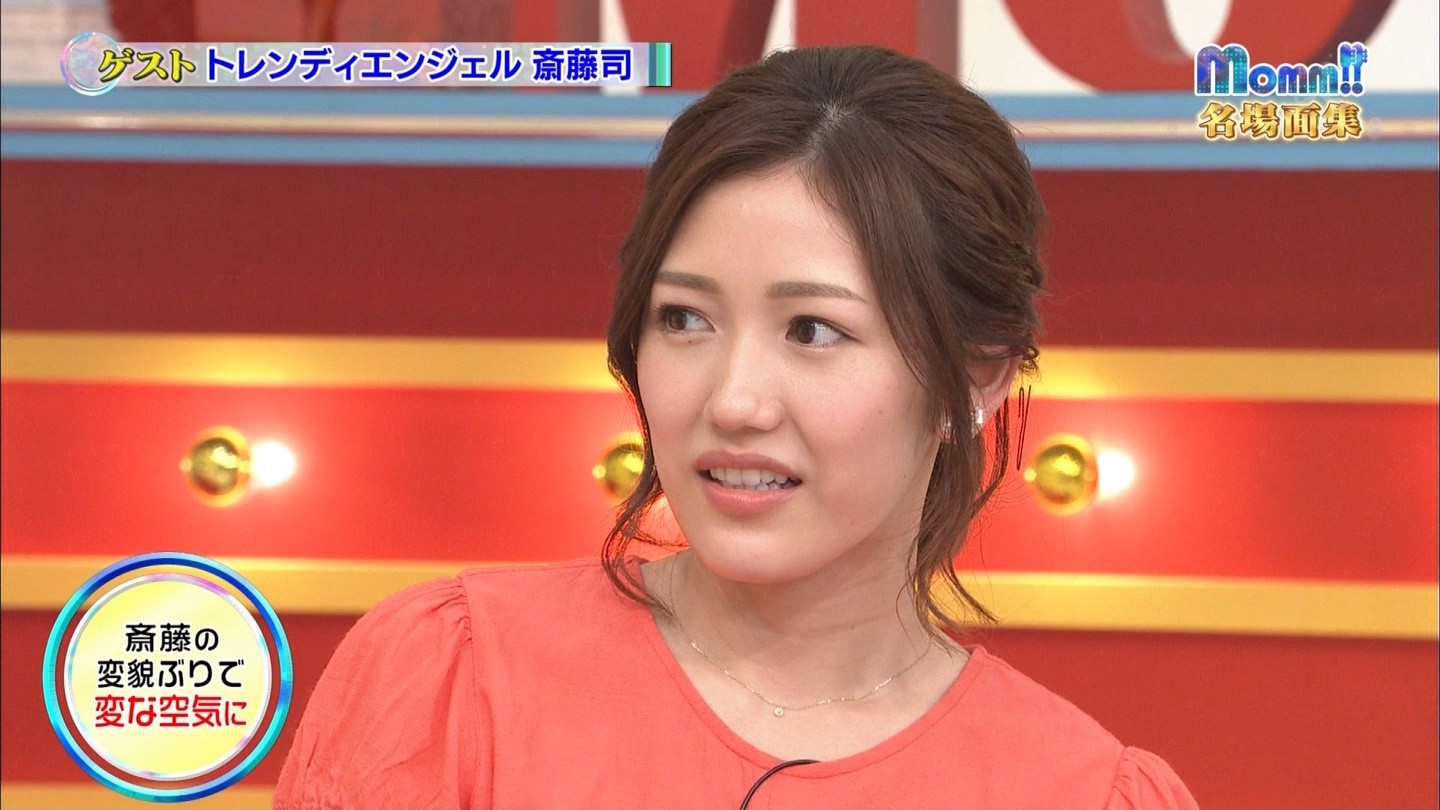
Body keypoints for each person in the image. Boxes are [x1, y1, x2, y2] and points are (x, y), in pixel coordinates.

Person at [274, 45, 1198, 809]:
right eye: (685, 319)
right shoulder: (453, 680)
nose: (733, 401)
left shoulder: (1079, 790)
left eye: (814, 330)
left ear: (973, 375)